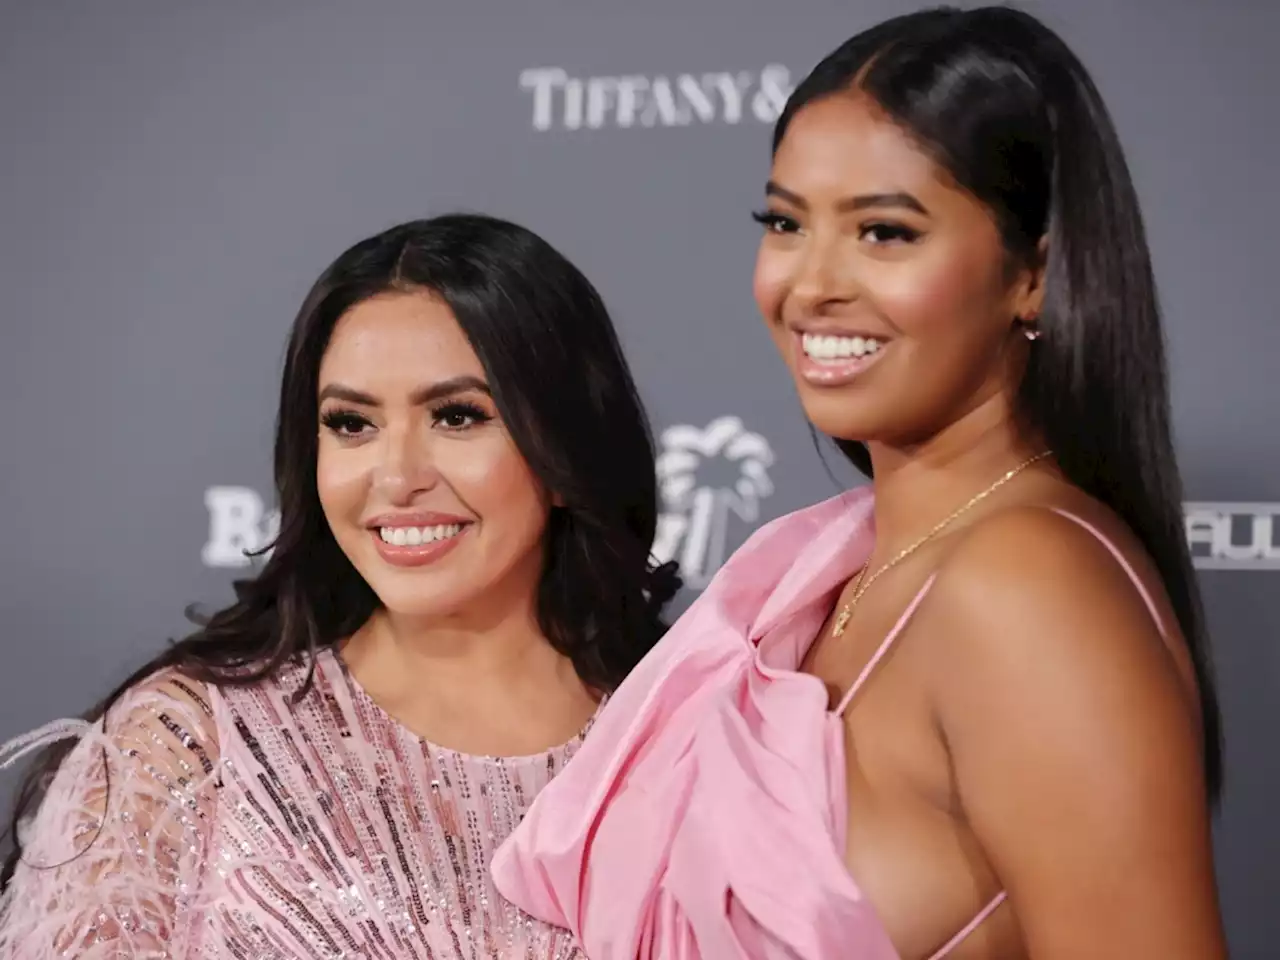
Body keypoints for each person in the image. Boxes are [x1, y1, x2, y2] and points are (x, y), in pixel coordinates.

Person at [491, 7, 1227, 959]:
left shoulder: (1027, 588)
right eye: (786, 223)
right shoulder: (828, 573)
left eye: (884, 232)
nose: (812, 283)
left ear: (1033, 273)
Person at [0, 213, 679, 958]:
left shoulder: (689, 739)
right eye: (352, 424)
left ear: (564, 445)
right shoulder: (189, 749)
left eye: (457, 416)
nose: (396, 478)